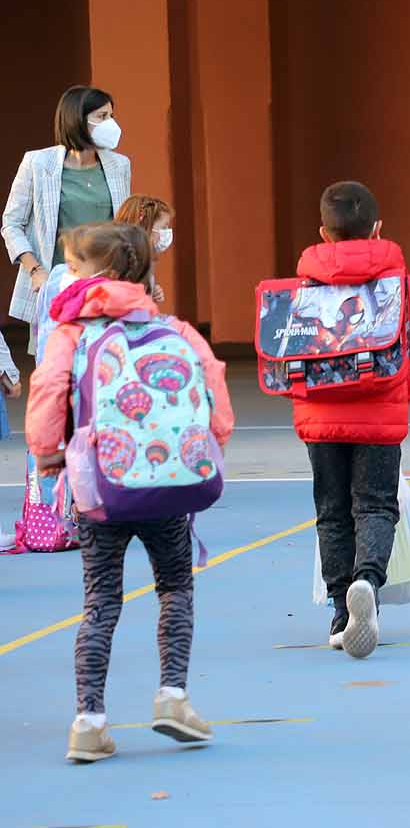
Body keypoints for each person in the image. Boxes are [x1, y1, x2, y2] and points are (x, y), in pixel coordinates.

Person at [26, 223, 234, 763]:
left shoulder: (71, 333)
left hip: (98, 488)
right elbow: (215, 395)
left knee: (100, 601)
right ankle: (173, 696)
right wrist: (209, 446)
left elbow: (48, 392)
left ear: (98, 274)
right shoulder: (173, 328)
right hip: (166, 489)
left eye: (74, 266)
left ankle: (89, 719)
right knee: (175, 588)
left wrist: (49, 453)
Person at [292, 181, 410, 658]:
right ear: (377, 228)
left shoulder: (306, 279)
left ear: (323, 233)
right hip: (379, 408)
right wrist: (401, 396)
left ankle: (339, 609)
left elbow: (295, 346)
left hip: (321, 410)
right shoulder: (398, 279)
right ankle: (367, 580)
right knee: (375, 504)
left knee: (331, 509)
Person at [3, 86, 132, 353]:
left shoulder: (120, 165)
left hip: (105, 287)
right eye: (102, 116)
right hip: (55, 289)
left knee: (104, 368)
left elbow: (124, 228)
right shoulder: (38, 164)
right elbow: (11, 223)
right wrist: (36, 271)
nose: (111, 124)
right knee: (57, 370)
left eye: (111, 115)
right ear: (76, 119)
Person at [113, 194, 175, 304]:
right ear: (145, 227)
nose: (167, 232)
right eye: (163, 227)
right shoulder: (126, 262)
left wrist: (153, 290)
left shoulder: (145, 258)